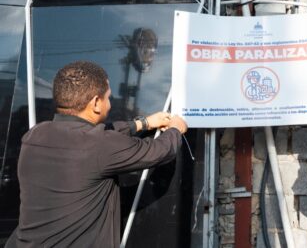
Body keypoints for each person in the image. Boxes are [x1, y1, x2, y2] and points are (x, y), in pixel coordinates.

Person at [6, 61, 187, 248]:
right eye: (108, 97)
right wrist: (175, 129)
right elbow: (158, 151)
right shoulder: (100, 145)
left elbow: (100, 134)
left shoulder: (34, 135)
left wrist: (143, 123)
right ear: (95, 103)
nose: (110, 104)